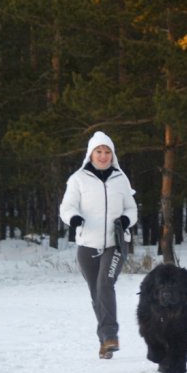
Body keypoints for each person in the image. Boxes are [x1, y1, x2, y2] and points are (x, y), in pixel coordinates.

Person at [60, 131, 138, 359]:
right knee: (96, 294)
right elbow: (66, 207)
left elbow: (131, 209)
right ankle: (104, 341)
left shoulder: (120, 179)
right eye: (99, 152)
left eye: (107, 152)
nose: (103, 156)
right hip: (87, 244)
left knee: (105, 285)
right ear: (91, 154)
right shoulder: (78, 179)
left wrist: (126, 220)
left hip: (115, 243)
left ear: (112, 155)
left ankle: (111, 335)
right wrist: (73, 218)